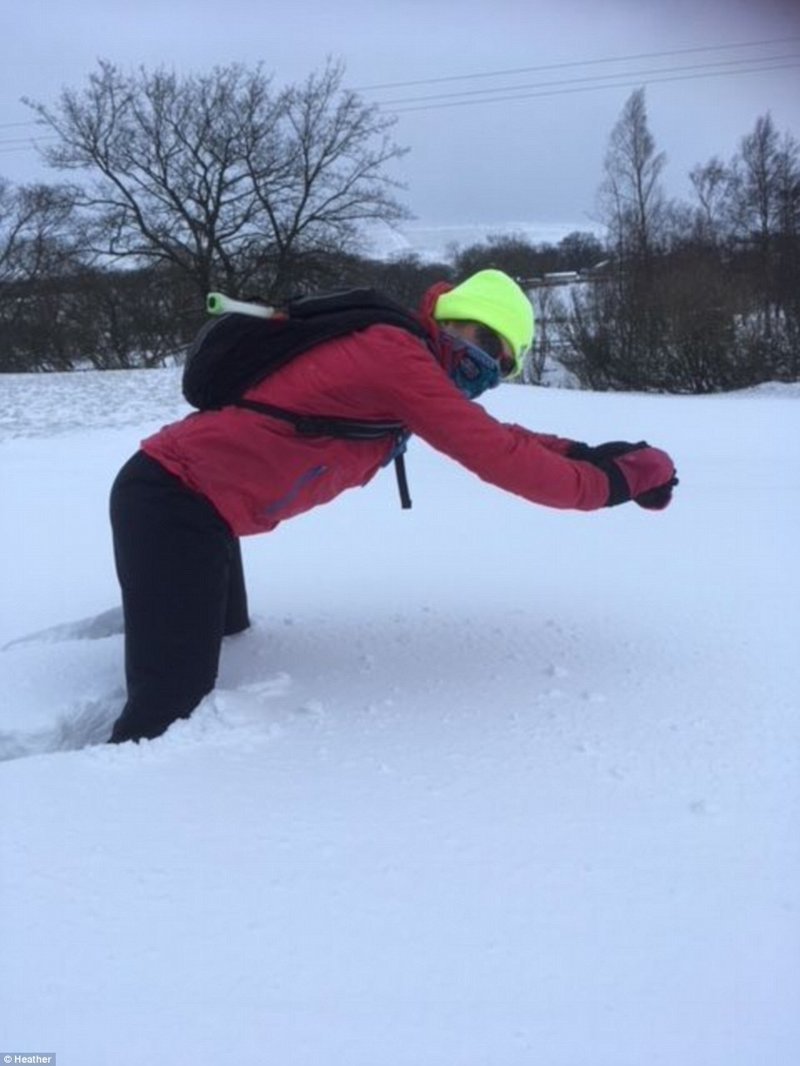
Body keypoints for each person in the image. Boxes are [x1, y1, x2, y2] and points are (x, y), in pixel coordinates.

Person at [108, 269, 677, 744]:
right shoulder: (395, 356)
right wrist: (615, 483)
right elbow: (504, 458)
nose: (480, 364)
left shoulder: (411, 368)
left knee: (229, 635)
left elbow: (504, 435)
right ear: (451, 318)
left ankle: (157, 609)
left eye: (496, 366)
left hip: (208, 514)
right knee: (169, 713)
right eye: (481, 341)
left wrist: (590, 454)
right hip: (171, 500)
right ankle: (89, 807)